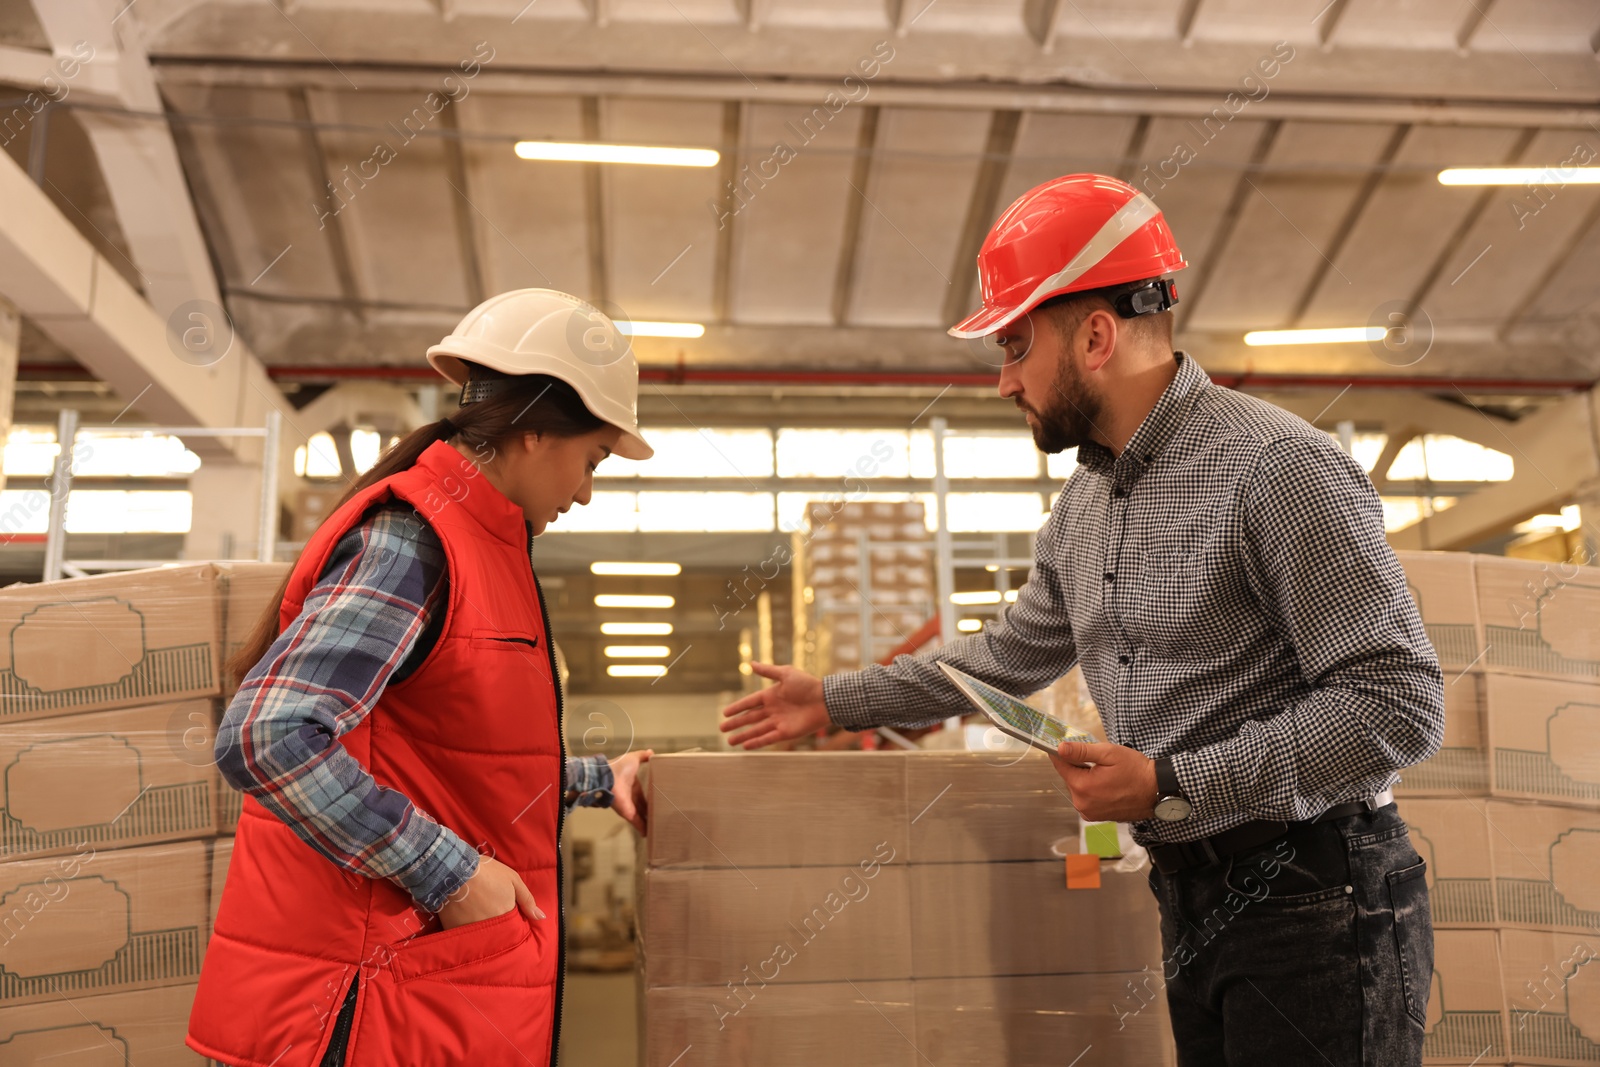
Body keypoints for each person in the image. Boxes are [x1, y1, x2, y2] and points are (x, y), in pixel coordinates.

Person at [719, 174, 1445, 1066]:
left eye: (1016, 345)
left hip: (1318, 902)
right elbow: (1006, 656)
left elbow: (1398, 703)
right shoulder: (1086, 506)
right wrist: (835, 697)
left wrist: (1172, 779)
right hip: (1193, 898)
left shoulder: (1279, 467)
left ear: (1095, 334)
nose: (1002, 380)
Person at [188, 289, 655, 1067]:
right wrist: (454, 874)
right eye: (594, 459)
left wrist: (595, 778)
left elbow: (452, 754)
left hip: (416, 998)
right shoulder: (417, 543)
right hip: (360, 1007)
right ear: (537, 430)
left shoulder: (479, 541)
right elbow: (268, 734)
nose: (586, 491)